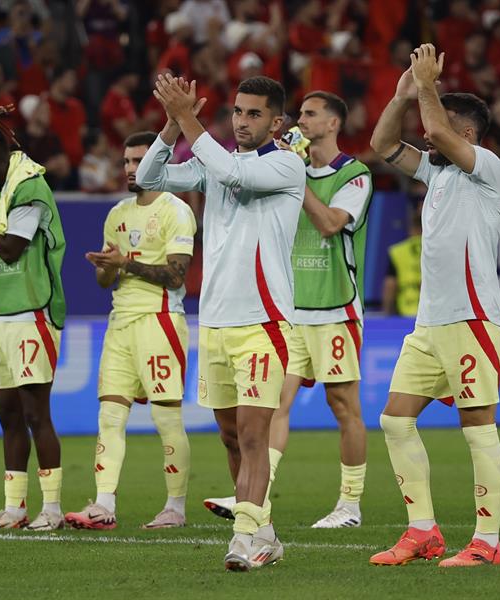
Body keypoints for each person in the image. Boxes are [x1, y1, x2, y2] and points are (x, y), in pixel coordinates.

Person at [136, 74, 305, 571]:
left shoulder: (286, 165)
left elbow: (236, 176)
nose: (243, 121)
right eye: (237, 112)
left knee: (254, 437)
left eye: (254, 114)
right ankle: (266, 532)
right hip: (214, 323)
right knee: (232, 438)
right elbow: (149, 179)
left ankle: (244, 538)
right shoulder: (215, 163)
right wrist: (170, 126)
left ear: (277, 122)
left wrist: (189, 119)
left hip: (263, 323)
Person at [368, 44, 500, 567]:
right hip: (429, 324)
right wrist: (406, 92)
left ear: (467, 135)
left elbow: (440, 134)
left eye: (443, 125)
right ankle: (423, 532)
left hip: (472, 320)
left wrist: (429, 85)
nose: (428, 132)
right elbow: (382, 143)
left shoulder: (490, 171)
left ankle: (486, 543)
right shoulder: (438, 174)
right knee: (394, 421)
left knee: (478, 428)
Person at [203, 91, 373, 529]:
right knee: (274, 405)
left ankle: (349, 505)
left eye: (311, 114)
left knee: (343, 405)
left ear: (333, 123)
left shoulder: (354, 175)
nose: (302, 120)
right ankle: (255, 493)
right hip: (288, 310)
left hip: (334, 306)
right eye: (300, 113)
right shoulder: (278, 165)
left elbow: (332, 223)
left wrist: (293, 177)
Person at [64, 131, 196, 530]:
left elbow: (175, 276)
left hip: (160, 322)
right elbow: (108, 280)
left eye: (139, 161)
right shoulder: (117, 213)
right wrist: (106, 268)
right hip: (119, 323)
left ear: (160, 163)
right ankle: (104, 505)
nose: (131, 169)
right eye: (126, 162)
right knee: (109, 416)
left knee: (166, 419)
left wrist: (126, 263)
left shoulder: (177, 210)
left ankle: (175, 507)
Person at [0, 100, 68, 532]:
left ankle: (53, 509)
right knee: (6, 412)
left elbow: (10, 249)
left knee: (35, 412)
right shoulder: (0, 188)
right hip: (1, 315)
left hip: (31, 313)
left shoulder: (30, 187)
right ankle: (14, 508)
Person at [382, 199, 422, 316]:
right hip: (432, 316)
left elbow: (390, 286)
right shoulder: (439, 249)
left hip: (406, 313)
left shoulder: (398, 251)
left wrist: (387, 314)